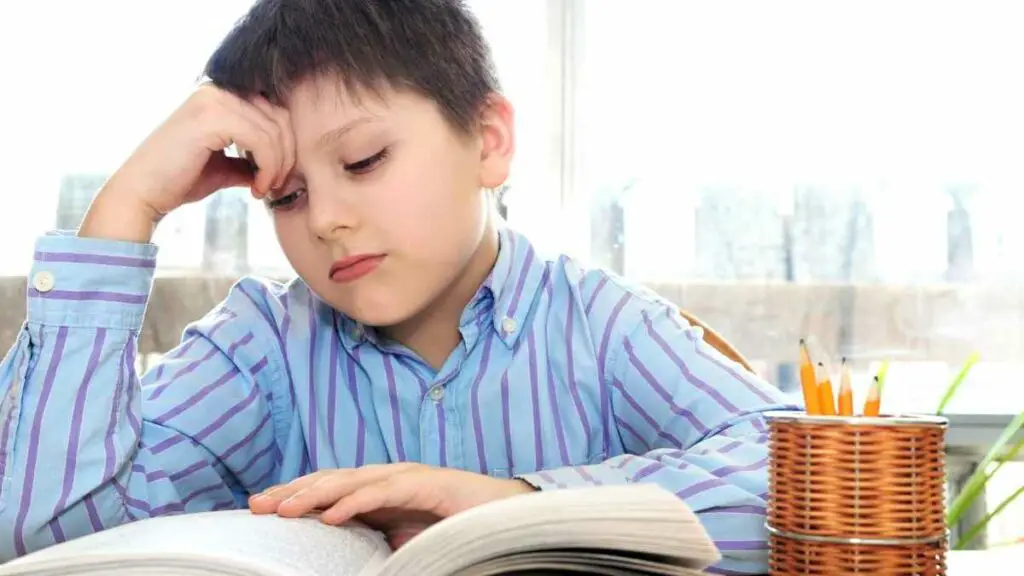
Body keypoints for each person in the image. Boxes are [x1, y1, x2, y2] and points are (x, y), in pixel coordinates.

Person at [0, 1, 795, 573]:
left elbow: (804, 471)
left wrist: (514, 498)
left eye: (364, 161)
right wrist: (124, 210)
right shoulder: (260, 347)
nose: (327, 221)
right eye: (287, 194)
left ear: (487, 142)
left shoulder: (601, 325)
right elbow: (46, 537)